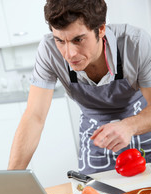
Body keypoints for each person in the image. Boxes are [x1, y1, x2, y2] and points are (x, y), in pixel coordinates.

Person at [8, 0, 151, 174]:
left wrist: (128, 126)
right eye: (60, 40)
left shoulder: (135, 43)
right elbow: (34, 117)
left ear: (101, 29)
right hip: (95, 145)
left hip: (142, 137)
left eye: (78, 39)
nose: (70, 54)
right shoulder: (48, 51)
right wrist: (12, 180)